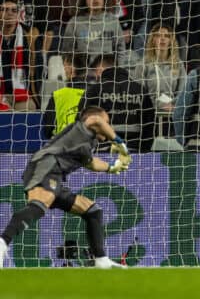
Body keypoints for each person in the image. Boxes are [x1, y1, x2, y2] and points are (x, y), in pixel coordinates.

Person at [0, 106, 132, 269]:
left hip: (54, 175)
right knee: (40, 204)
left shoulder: (86, 143)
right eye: (107, 122)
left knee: (91, 210)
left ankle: (101, 259)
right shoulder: (82, 129)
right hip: (46, 166)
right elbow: (96, 120)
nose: (108, 127)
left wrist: (112, 168)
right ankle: (3, 241)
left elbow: (92, 163)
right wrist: (119, 141)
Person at [79, 55, 155, 153]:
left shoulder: (95, 90)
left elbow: (82, 121)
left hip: (102, 152)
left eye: (96, 71)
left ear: (102, 67)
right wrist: (144, 150)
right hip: (135, 151)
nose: (97, 76)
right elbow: (150, 124)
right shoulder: (139, 89)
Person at [60, 0, 129, 68]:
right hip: (83, 74)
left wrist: (118, 70)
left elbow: (121, 49)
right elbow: (66, 52)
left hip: (108, 73)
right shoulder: (74, 22)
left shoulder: (113, 21)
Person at [133, 25, 186, 113]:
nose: (162, 39)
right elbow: (139, 93)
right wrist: (159, 105)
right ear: (153, 40)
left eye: (167, 36)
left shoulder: (178, 64)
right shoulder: (143, 64)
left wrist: (173, 105)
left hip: (172, 111)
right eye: (158, 35)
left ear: (170, 41)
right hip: (149, 112)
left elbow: (183, 92)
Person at [42, 53, 91, 139]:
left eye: (64, 65)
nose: (64, 69)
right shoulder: (95, 94)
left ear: (69, 68)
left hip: (61, 145)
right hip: (88, 145)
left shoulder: (57, 95)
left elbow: (48, 128)